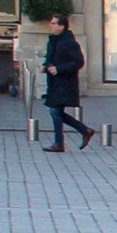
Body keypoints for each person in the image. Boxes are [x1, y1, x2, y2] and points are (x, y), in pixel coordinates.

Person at [39, 14, 94, 153]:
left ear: (61, 26)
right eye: (51, 23)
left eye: (53, 23)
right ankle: (84, 130)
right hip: (54, 82)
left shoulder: (69, 42)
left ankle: (59, 143)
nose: (50, 26)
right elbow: (50, 58)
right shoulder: (52, 41)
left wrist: (59, 69)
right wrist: (45, 66)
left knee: (55, 111)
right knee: (57, 112)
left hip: (65, 82)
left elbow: (78, 62)